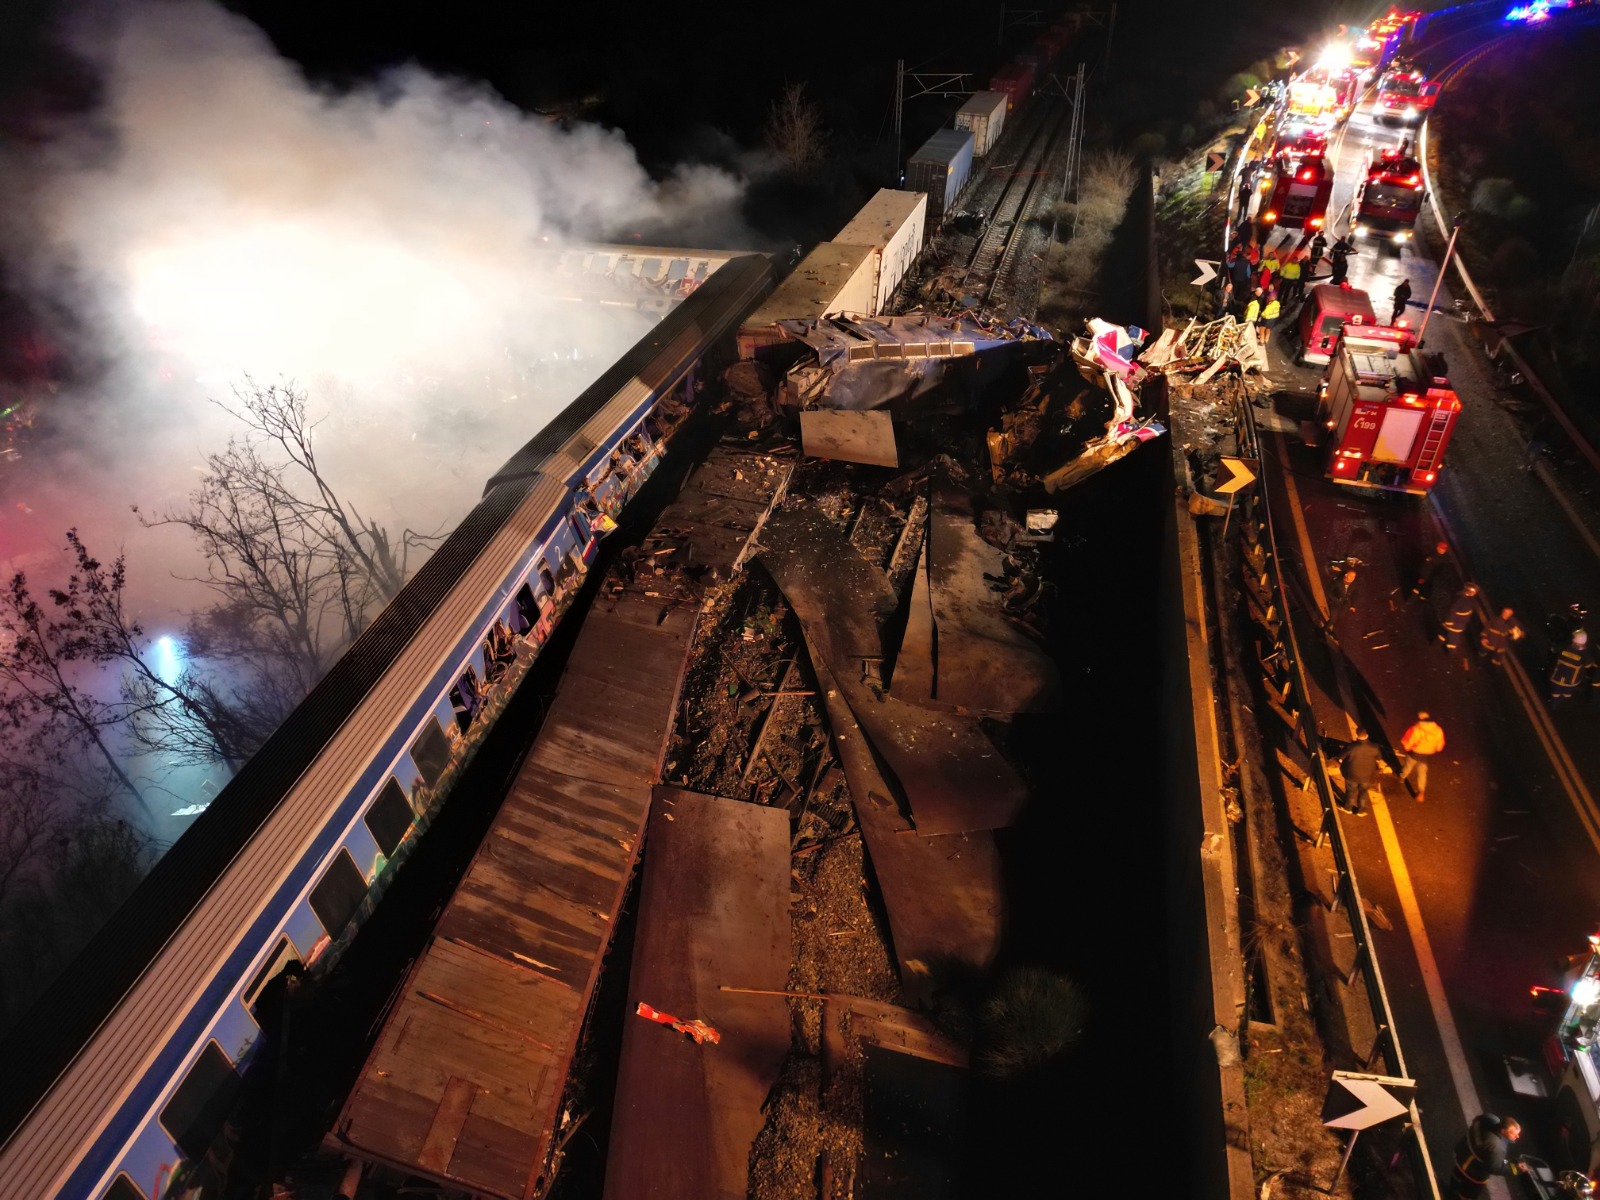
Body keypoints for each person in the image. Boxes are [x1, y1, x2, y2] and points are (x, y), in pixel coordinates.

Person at [1448, 1113, 1524, 1198]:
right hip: (1473, 1171)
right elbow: (1495, 1167)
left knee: (1456, 1177)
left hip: (1461, 1153)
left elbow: (1476, 1120)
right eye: (1514, 1134)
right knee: (1467, 1193)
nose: (1517, 1136)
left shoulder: (1488, 1118)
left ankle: (1449, 1190)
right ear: (1502, 1131)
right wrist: (1516, 1169)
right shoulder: (1497, 1147)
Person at [1399, 711, 1445, 802]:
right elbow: (1439, 747)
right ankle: (1421, 793)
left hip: (1414, 753)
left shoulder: (1415, 729)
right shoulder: (1438, 730)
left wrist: (1408, 748)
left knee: (1408, 766)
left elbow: (1406, 743)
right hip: (1426, 755)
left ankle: (1401, 778)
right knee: (1422, 773)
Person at [1339, 727, 1382, 815]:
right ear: (1367, 736)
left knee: (1351, 792)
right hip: (1367, 775)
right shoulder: (1375, 747)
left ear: (1356, 735)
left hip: (1352, 774)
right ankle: (1361, 810)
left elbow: (1340, 758)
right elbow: (1378, 759)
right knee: (1363, 792)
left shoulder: (1351, 746)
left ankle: (1348, 808)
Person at [1551, 631, 1593, 704]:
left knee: (1555, 693)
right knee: (1567, 694)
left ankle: (1554, 705)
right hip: (1571, 680)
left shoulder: (1565, 646)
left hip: (1558, 676)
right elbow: (1588, 665)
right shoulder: (1586, 654)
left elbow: (1553, 649)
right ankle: (1562, 705)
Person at [1438, 582, 1479, 653]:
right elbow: (1453, 611)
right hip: (1455, 624)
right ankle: (1448, 652)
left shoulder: (1468, 600)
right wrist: (1449, 622)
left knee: (1449, 636)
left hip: (1458, 624)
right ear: (1469, 591)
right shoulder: (1462, 600)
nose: (1474, 594)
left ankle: (1443, 647)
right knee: (1452, 640)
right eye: (1473, 592)